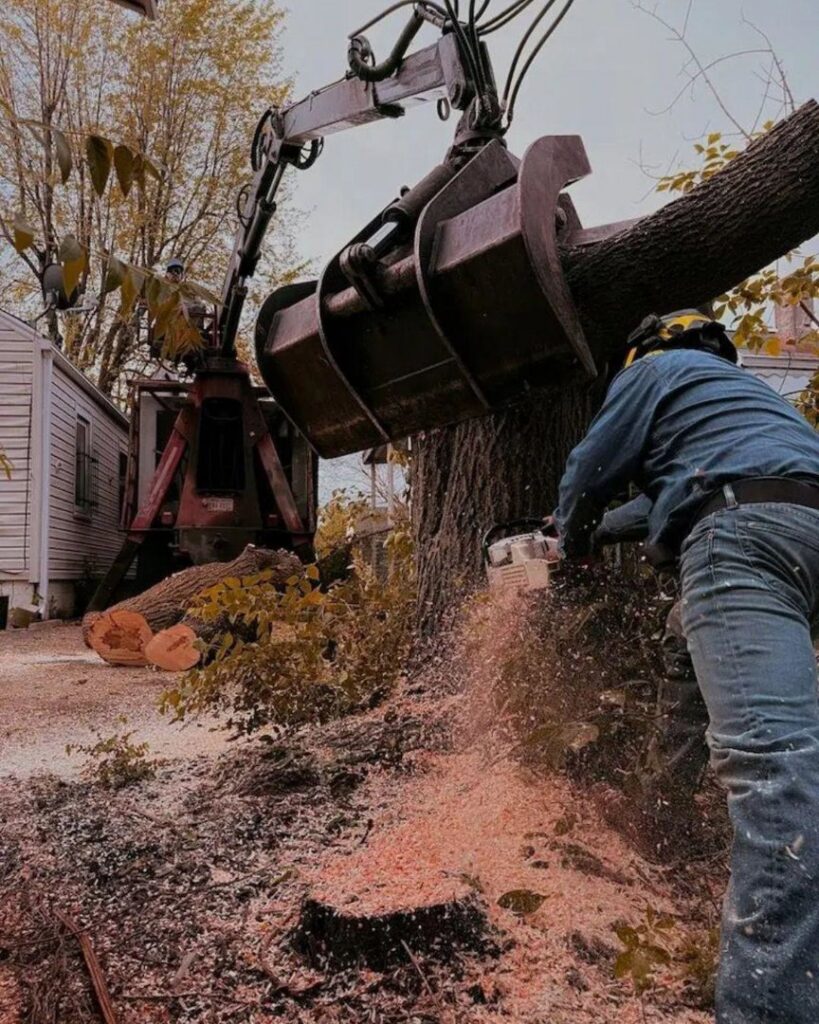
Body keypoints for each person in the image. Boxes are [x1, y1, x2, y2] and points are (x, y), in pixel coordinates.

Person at [550, 310, 819, 1024]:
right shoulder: (747, 404)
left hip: (741, 539)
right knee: (686, 643)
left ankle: (766, 1009)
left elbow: (590, 469)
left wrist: (569, 542)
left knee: (776, 766)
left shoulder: (652, 371)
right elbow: (663, 497)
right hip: (804, 530)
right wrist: (595, 531)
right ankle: (661, 818)